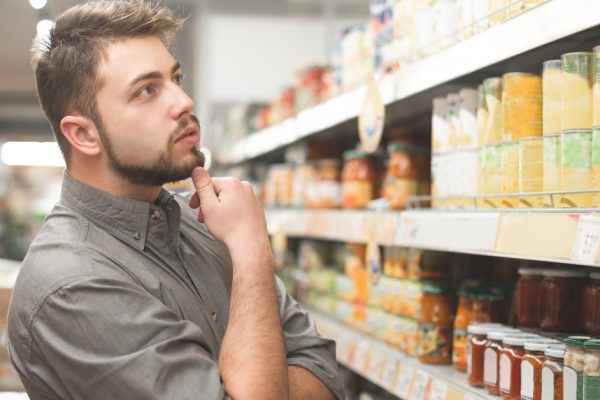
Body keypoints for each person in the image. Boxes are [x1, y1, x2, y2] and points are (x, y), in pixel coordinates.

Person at [6, 1, 345, 399]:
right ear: (83, 135)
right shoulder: (71, 284)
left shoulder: (203, 223)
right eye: (147, 90)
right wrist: (251, 249)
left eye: (176, 78)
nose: (184, 102)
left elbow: (322, 368)